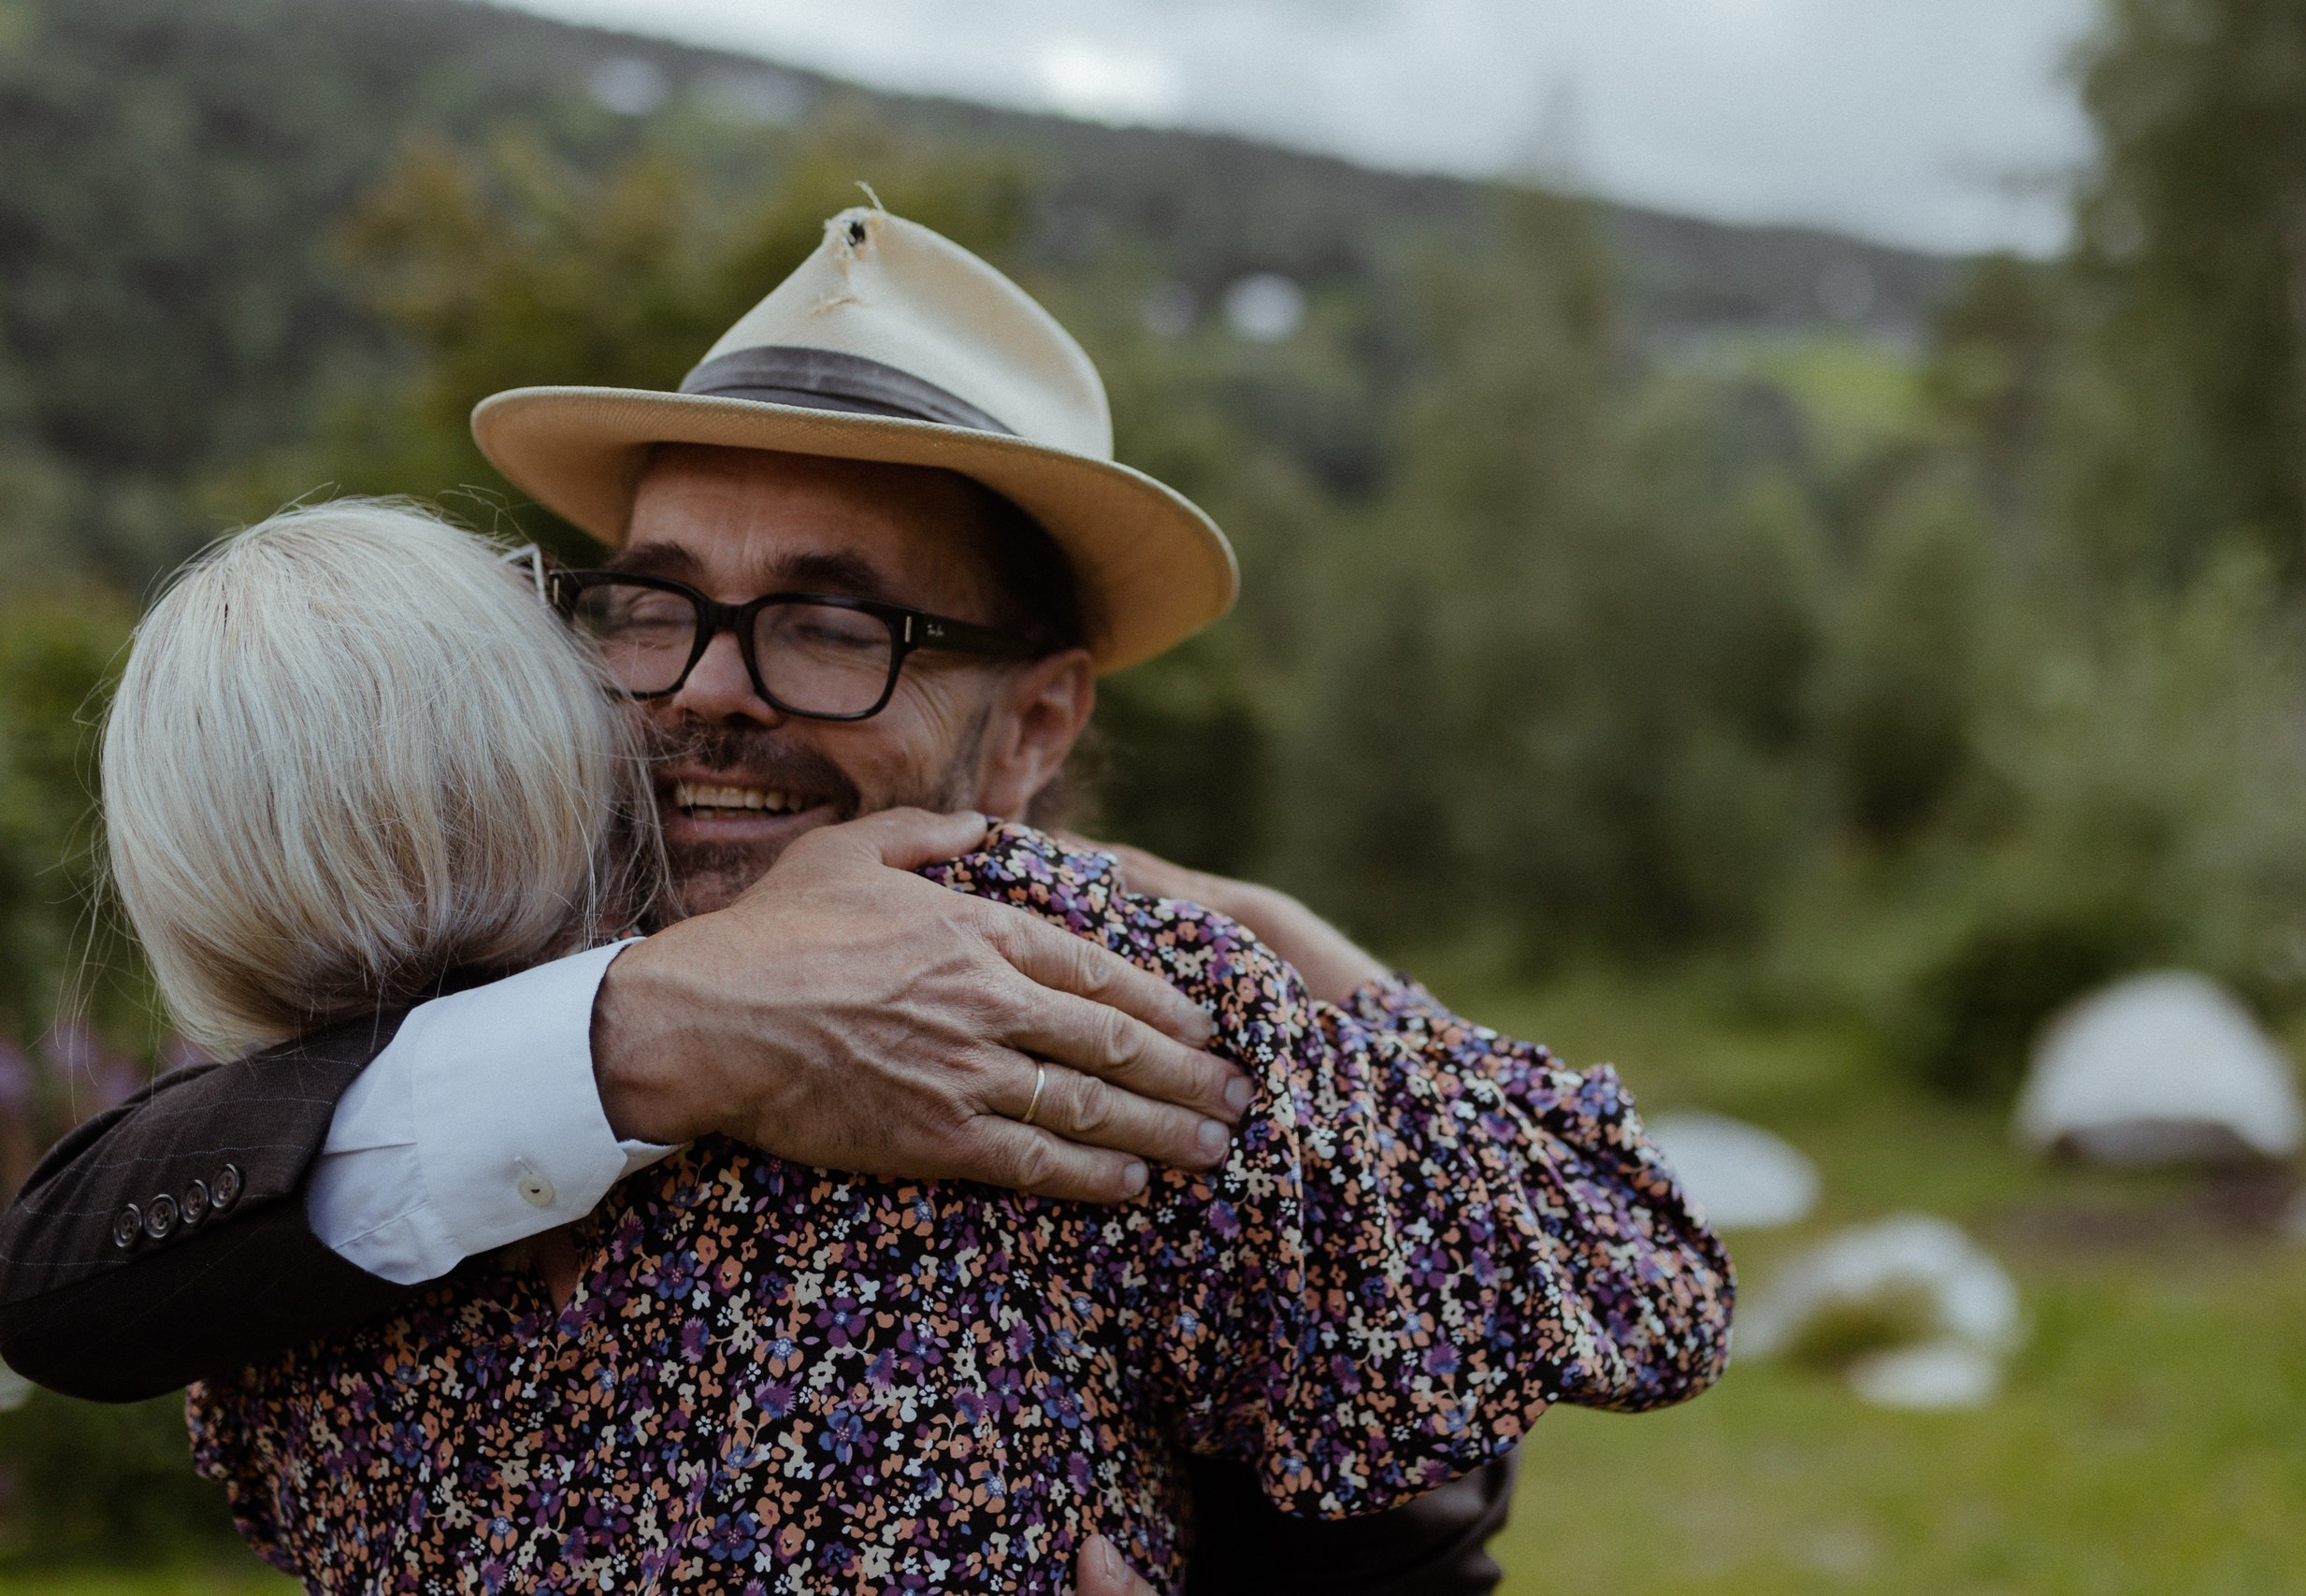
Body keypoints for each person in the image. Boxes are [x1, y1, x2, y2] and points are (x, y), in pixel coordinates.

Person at [0, 207, 1726, 1591]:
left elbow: (1500, 1398)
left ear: (1035, 721)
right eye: (653, 607)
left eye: (837, 625)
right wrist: (649, 1035)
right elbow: (74, 1270)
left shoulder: (1101, 1001)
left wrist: (1296, 964)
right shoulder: (489, 987)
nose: (705, 692)